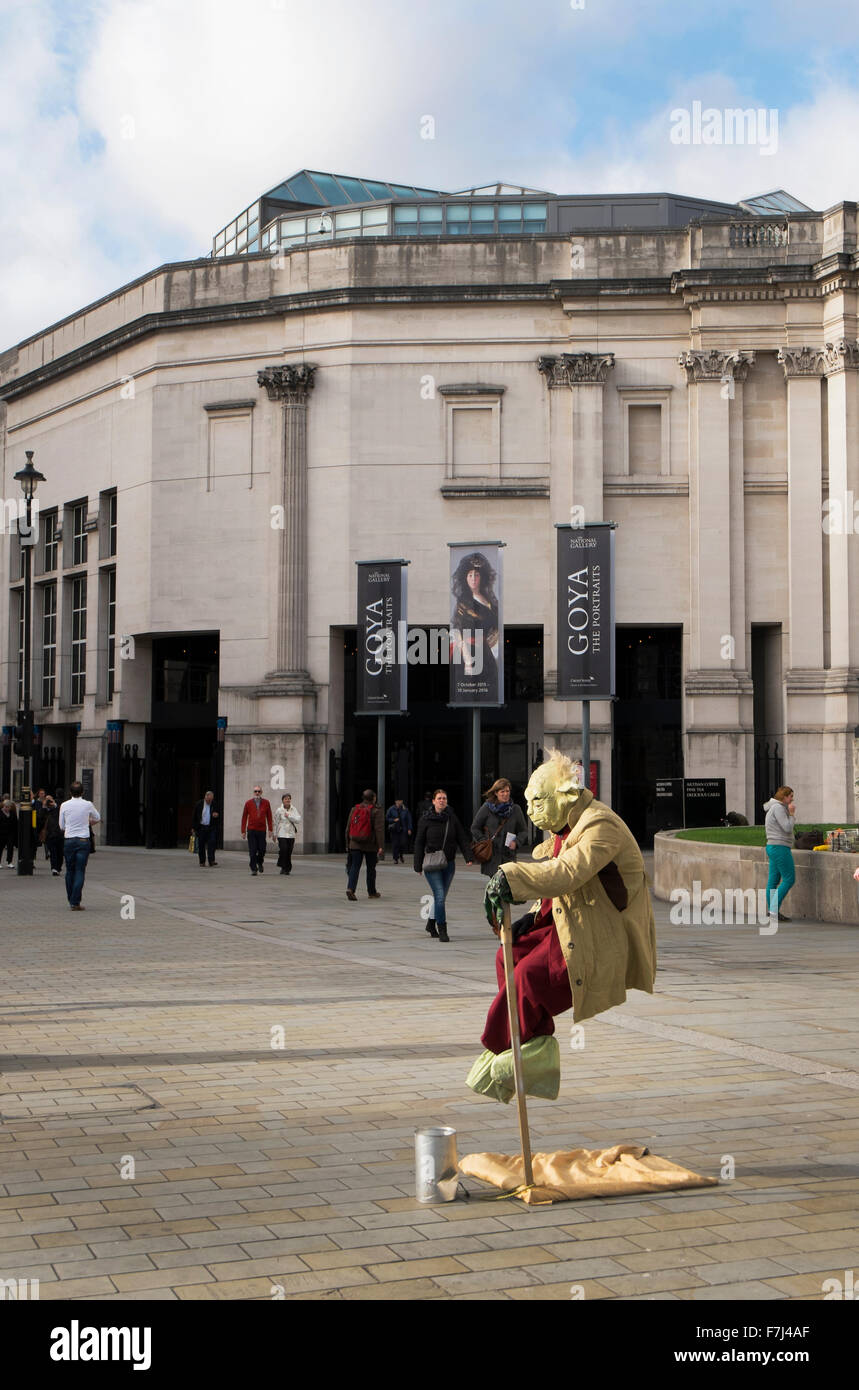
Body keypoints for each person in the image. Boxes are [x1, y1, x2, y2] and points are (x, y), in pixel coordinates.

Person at [413, 788, 475, 942]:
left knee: (440, 897)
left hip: (449, 863)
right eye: (439, 798)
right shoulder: (425, 819)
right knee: (439, 897)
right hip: (432, 864)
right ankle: (443, 929)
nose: (442, 801)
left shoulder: (451, 818)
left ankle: (430, 922)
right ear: (433, 801)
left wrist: (468, 856)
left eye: (444, 798)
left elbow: (461, 837)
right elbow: (419, 843)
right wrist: (417, 864)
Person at [450, 551, 500, 701]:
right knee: (469, 695)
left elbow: (495, 627)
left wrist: (495, 637)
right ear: (464, 578)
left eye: (476, 575)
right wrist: (467, 660)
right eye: (470, 575)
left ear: (482, 577)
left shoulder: (489, 600)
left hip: (485, 654)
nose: (473, 579)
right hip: (468, 654)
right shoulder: (463, 603)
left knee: (489, 694)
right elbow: (458, 632)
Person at [470, 777, 527, 878]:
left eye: (507, 791)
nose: (505, 794)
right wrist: (484, 841)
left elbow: (523, 831)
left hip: (508, 856)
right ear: (496, 793)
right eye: (502, 791)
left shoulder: (515, 809)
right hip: (492, 856)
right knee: (496, 887)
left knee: (506, 886)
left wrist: (517, 842)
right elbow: (474, 828)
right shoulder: (487, 808)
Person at [59, 781, 101, 910]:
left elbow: (62, 826)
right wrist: (88, 823)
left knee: (69, 870)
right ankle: (75, 901)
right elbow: (97, 817)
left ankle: (71, 898)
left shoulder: (64, 805)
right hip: (83, 840)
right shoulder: (87, 804)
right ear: (82, 792)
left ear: (70, 792)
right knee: (80, 870)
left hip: (69, 839)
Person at [763, 785, 796, 923]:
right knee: (789, 878)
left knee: (773, 880)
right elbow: (787, 827)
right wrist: (792, 814)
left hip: (773, 846)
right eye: (790, 796)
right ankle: (773, 910)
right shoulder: (778, 808)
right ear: (784, 797)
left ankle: (772, 911)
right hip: (780, 847)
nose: (792, 799)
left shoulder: (774, 808)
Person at [345, 789, 384, 901]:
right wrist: (381, 846)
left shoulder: (355, 809)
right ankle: (372, 892)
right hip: (370, 845)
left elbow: (348, 828)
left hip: (355, 843)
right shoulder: (376, 811)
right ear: (373, 798)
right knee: (371, 868)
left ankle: (350, 889)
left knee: (354, 867)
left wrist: (348, 843)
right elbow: (379, 829)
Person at [241, 783, 273, 875]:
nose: (257, 793)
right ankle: (253, 868)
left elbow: (269, 816)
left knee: (262, 849)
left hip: (262, 830)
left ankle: (259, 862)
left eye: (259, 791)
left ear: (261, 792)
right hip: (251, 830)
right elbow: (244, 817)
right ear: (253, 792)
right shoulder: (248, 803)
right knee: (253, 850)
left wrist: (270, 829)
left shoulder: (266, 802)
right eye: (255, 791)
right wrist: (243, 831)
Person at [273, 793, 301, 874]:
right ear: (282, 800)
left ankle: (283, 866)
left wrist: (289, 816)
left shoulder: (294, 809)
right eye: (285, 799)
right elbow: (276, 822)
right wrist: (274, 834)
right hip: (281, 834)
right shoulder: (279, 810)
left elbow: (298, 820)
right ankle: (286, 868)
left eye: (289, 798)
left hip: (291, 834)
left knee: (289, 851)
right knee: (283, 849)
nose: (287, 800)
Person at [192, 790, 220, 867]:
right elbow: (194, 816)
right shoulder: (199, 804)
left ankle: (211, 861)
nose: (209, 801)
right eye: (208, 800)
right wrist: (193, 828)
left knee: (212, 844)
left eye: (211, 800)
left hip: (211, 827)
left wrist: (216, 815)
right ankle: (202, 861)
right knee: (201, 845)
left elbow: (218, 814)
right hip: (201, 827)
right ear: (205, 797)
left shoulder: (214, 804)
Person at [40, 796, 64, 875]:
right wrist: (44, 806)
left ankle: (58, 867)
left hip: (59, 834)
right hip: (50, 835)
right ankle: (54, 868)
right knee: (53, 852)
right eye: (47, 800)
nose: (49, 802)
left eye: (50, 800)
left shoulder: (58, 809)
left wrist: (55, 804)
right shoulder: (45, 811)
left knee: (60, 853)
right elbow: (40, 818)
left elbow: (62, 811)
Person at [385, 797, 413, 864]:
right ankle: (395, 858)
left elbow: (409, 820)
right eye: (397, 801)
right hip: (394, 829)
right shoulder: (391, 809)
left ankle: (401, 855)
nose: (399, 802)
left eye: (400, 801)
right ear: (395, 801)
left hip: (403, 829)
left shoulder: (405, 809)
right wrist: (393, 820)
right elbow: (387, 818)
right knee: (395, 844)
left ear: (402, 801)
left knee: (402, 843)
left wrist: (409, 829)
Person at [0, 797, 17, 868]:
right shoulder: (0, 813)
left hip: (10, 833)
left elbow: (15, 823)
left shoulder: (12, 813)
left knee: (10, 847)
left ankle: (9, 862)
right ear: (3, 806)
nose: (7, 809)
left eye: (8, 807)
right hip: (1, 833)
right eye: (6, 807)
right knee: (0, 848)